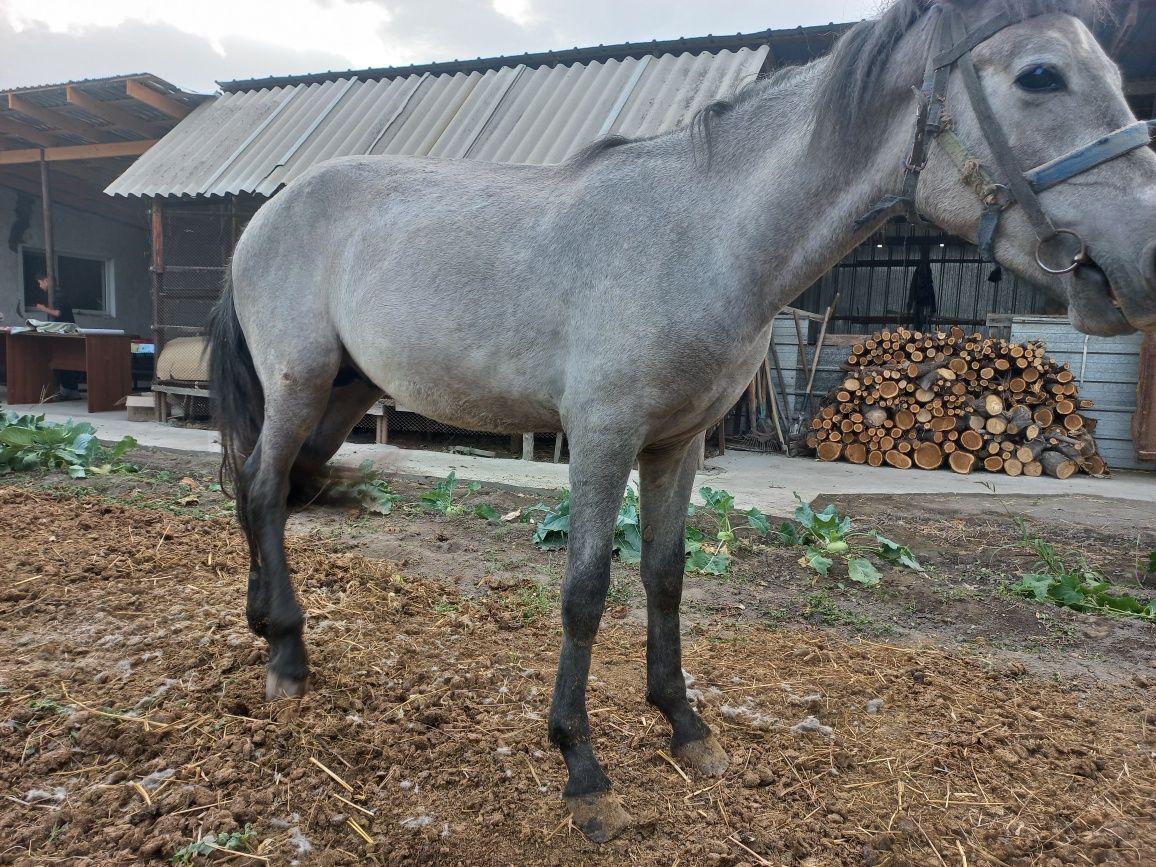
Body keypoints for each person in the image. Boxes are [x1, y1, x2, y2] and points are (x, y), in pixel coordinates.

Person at [32, 271, 83, 400]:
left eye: (40, 283)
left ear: (46, 281)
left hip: (66, 332)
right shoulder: (55, 294)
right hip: (62, 331)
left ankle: (69, 390)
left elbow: (58, 313)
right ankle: (68, 390)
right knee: (62, 360)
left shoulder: (59, 294)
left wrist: (43, 308)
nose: (39, 286)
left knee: (65, 360)